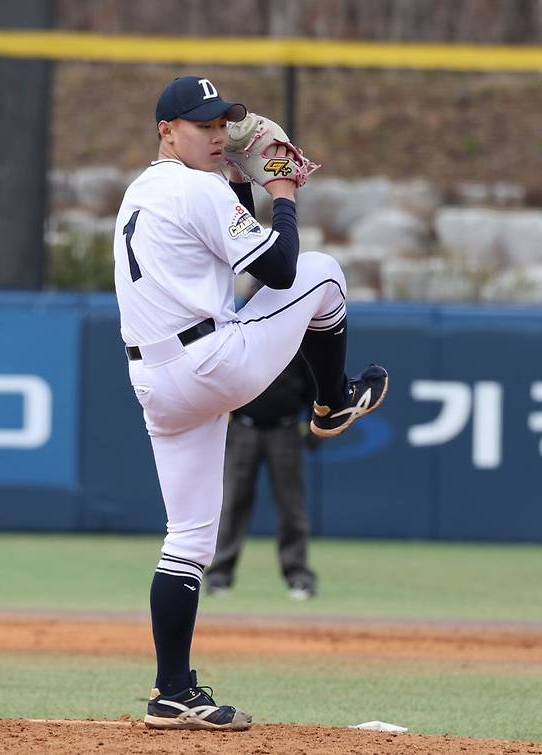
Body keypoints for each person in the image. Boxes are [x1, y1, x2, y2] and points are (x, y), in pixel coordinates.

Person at [113, 75, 388, 732]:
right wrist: (283, 191)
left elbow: (224, 237)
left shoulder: (144, 191)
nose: (215, 135)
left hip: (158, 384)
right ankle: (332, 402)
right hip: (211, 362)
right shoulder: (194, 187)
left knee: (187, 541)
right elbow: (283, 267)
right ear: (166, 130)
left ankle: (172, 692)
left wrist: (239, 179)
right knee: (325, 272)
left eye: (221, 125)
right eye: (202, 125)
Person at [206, 328, 319, 600]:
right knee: (233, 502)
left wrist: (314, 424)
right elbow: (223, 377)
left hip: (286, 427)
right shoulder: (240, 331)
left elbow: (313, 382)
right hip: (244, 427)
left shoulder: (295, 333)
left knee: (292, 506)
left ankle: (298, 576)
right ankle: (220, 576)